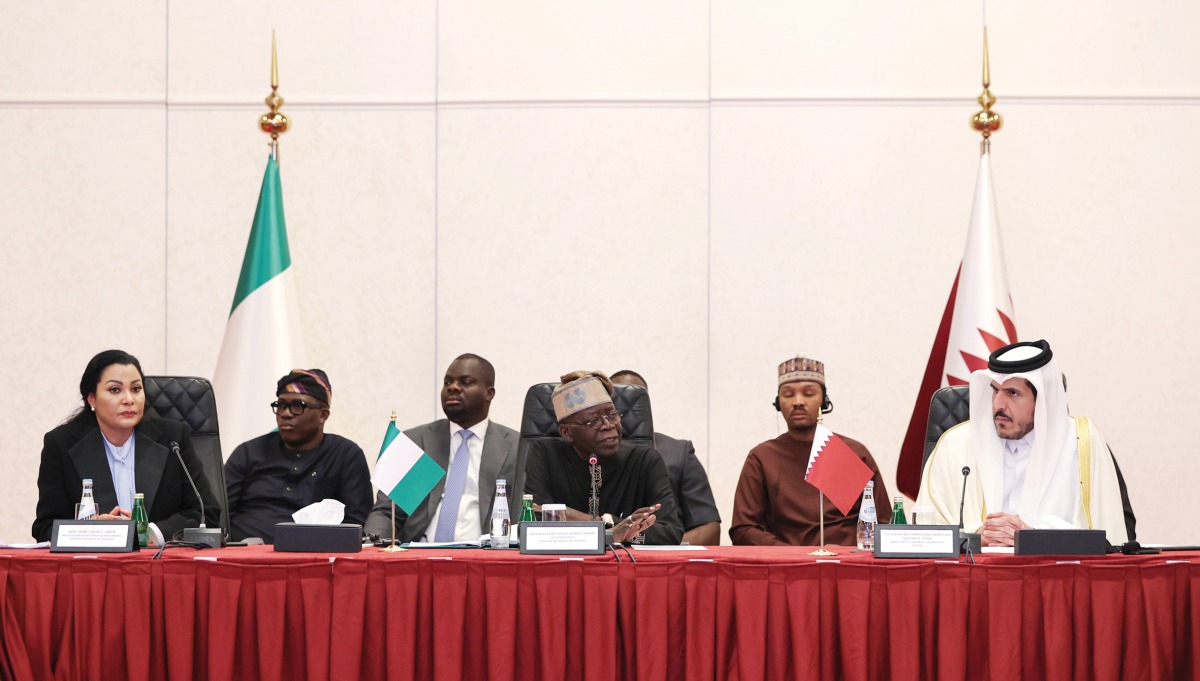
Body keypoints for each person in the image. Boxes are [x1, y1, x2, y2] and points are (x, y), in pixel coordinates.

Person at [915, 340, 1134, 546]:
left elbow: (1108, 539)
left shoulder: (1081, 443)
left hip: (1053, 579)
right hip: (973, 579)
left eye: (1012, 393)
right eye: (994, 390)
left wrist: (1033, 539)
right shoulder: (955, 445)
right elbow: (925, 534)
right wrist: (977, 538)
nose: (998, 404)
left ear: (1043, 401)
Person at [33, 349, 219, 543]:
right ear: (92, 399)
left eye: (136, 389)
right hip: (95, 568)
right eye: (115, 390)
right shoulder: (61, 444)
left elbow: (207, 514)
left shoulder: (174, 440)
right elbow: (45, 528)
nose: (129, 399)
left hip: (160, 565)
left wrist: (150, 533)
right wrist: (89, 532)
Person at [730, 356, 891, 546]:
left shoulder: (853, 452)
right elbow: (744, 529)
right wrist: (792, 554)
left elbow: (883, 523)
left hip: (849, 565)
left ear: (824, 400)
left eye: (808, 393)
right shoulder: (762, 457)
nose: (798, 402)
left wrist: (847, 552)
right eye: (788, 395)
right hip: (786, 567)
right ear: (778, 403)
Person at [363, 354, 522, 543]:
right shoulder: (414, 442)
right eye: (447, 382)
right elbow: (388, 512)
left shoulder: (516, 447)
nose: (452, 387)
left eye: (466, 382)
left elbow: (528, 514)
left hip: (486, 560)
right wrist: (373, 546)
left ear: (489, 393)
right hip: (419, 557)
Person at [524, 370, 682, 545]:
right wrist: (617, 530)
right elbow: (535, 524)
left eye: (612, 415)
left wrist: (601, 521)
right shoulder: (545, 453)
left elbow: (671, 532)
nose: (608, 425)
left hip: (626, 567)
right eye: (594, 420)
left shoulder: (645, 460)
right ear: (567, 432)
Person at [224, 369, 373, 543]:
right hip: (243, 556)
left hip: (313, 559)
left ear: (323, 415)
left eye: (297, 406)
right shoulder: (249, 452)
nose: (285, 413)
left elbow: (355, 524)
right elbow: (220, 514)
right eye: (280, 405)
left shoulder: (345, 455)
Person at [611, 369, 721, 545]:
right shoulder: (588, 455)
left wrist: (664, 548)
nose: (627, 405)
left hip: (667, 559)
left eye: (635, 399)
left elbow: (709, 528)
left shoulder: (678, 452)